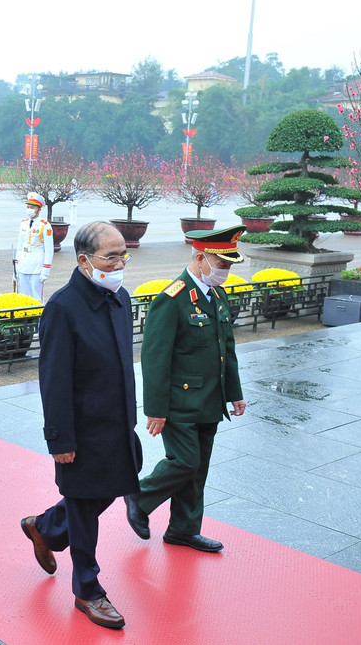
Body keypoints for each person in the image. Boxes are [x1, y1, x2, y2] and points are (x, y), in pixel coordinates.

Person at [19, 221, 141, 630]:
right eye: (112, 256)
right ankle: (88, 590)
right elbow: (53, 380)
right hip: (81, 430)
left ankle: (45, 527)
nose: (120, 262)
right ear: (85, 260)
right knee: (85, 511)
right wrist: (60, 439)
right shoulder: (63, 307)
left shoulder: (119, 298)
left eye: (124, 253)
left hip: (117, 424)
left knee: (99, 497)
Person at [125, 226, 247, 554]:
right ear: (199, 258)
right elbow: (154, 359)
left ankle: (183, 529)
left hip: (210, 400)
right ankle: (139, 496)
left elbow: (227, 349)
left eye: (229, 265)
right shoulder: (172, 299)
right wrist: (156, 409)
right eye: (221, 264)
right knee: (185, 461)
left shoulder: (216, 295)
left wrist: (234, 393)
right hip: (178, 401)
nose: (225, 271)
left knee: (198, 469)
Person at [15, 192, 54, 301]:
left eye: (32, 207)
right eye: (28, 207)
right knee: (24, 297)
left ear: (39, 209)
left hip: (37, 267)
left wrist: (45, 271)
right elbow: (19, 246)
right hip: (24, 265)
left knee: (36, 298)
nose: (29, 210)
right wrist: (16, 267)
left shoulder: (44, 226)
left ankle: (38, 318)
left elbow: (49, 251)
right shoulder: (23, 223)